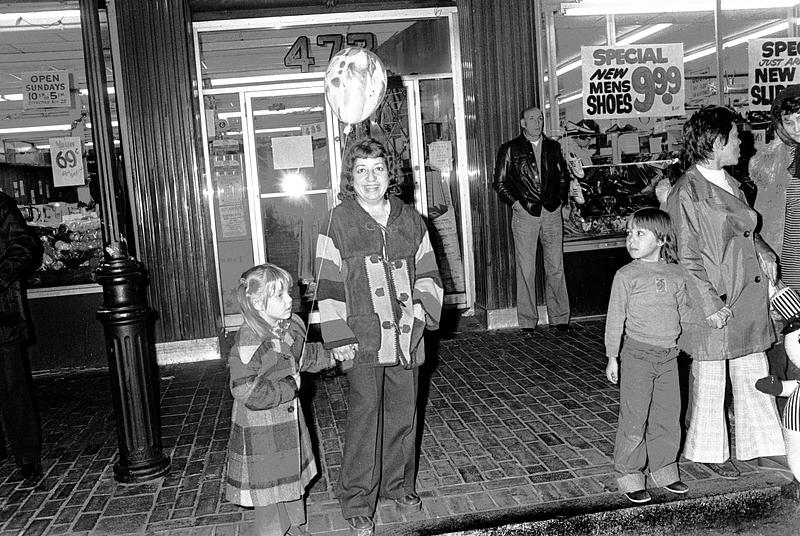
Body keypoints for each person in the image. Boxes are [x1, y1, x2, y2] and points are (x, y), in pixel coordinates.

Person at [315, 137, 443, 534]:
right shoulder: (337, 221)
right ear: (349, 178)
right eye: (361, 171)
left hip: (407, 338)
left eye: (378, 169)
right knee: (365, 419)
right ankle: (356, 499)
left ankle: (397, 486)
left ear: (391, 174)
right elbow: (328, 283)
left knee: (404, 416)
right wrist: (338, 336)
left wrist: (422, 312)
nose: (370, 179)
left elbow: (430, 274)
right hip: (363, 339)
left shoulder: (412, 219)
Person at [665, 104, 787, 480]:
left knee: (753, 370)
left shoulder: (729, 182)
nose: (741, 143)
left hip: (743, 295)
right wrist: (708, 305)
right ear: (716, 142)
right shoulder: (685, 192)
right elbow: (682, 254)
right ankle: (706, 452)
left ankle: (762, 447)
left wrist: (764, 249)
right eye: (736, 137)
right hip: (717, 299)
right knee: (711, 377)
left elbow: (747, 230)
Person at [224, 263, 332, 536]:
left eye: (288, 293)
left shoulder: (287, 327)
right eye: (279, 295)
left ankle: (294, 527)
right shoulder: (250, 341)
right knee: (270, 491)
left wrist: (335, 355)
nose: (289, 300)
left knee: (290, 479)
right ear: (258, 304)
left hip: (286, 422)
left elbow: (304, 355)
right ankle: (274, 532)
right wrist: (288, 388)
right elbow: (245, 391)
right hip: (263, 430)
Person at [604, 208, 689, 504]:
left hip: (668, 357)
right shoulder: (626, 275)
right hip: (637, 356)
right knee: (634, 419)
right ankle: (629, 474)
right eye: (629, 233)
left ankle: (665, 470)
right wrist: (612, 356)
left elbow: (684, 312)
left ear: (662, 239)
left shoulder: (676, 273)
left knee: (667, 416)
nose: (631, 239)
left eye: (640, 233)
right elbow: (615, 318)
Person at [493, 106, 571, 334]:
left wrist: (560, 201)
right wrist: (517, 205)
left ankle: (560, 317)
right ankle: (527, 321)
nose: (538, 122)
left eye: (540, 118)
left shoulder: (553, 147)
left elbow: (564, 177)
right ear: (522, 123)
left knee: (556, 267)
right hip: (525, 214)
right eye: (532, 119)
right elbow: (499, 183)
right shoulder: (510, 149)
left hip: (552, 213)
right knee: (526, 269)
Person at [750, 84, 800, 399]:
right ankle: (786, 416)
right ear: (779, 123)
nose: (797, 129)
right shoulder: (772, 162)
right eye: (790, 122)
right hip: (786, 268)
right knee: (785, 340)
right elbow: (755, 221)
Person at [0, 191, 42, 482]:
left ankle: (27, 456)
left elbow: (26, 246)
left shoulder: (0, 206)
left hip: (1, 316)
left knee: (13, 387)